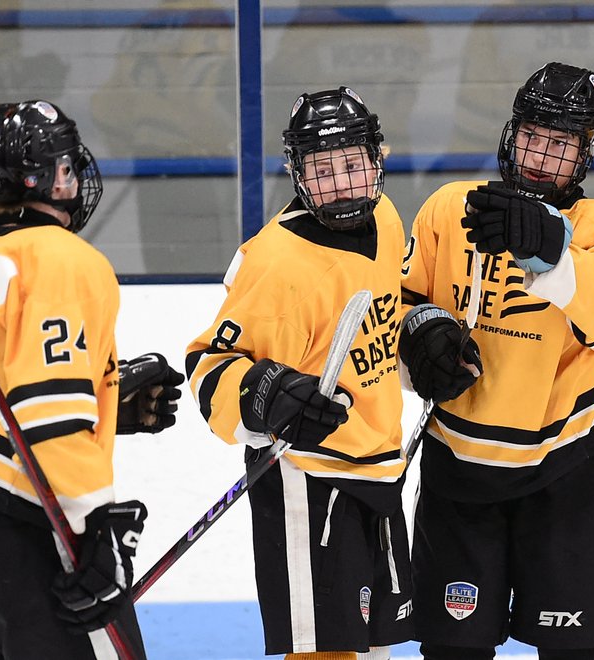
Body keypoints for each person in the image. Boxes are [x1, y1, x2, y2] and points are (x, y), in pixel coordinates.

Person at [0, 100, 184, 659]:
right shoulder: (63, 259)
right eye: (65, 167)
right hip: (38, 538)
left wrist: (102, 399)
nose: (74, 179)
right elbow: (47, 416)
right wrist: (96, 533)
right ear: (45, 176)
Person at [400, 62, 594, 660]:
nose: (541, 155)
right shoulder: (448, 207)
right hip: (457, 463)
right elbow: (399, 312)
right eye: (533, 136)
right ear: (512, 134)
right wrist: (417, 344)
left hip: (564, 469)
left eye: (560, 143)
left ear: (585, 152)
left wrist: (549, 245)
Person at [184, 87, 412, 660]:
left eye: (352, 164)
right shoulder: (277, 265)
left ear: (377, 159)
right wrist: (269, 392)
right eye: (323, 168)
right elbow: (209, 367)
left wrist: (422, 328)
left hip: (381, 468)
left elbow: (386, 309)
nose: (340, 182)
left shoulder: (386, 218)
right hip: (307, 483)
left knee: (375, 650)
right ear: (298, 173)